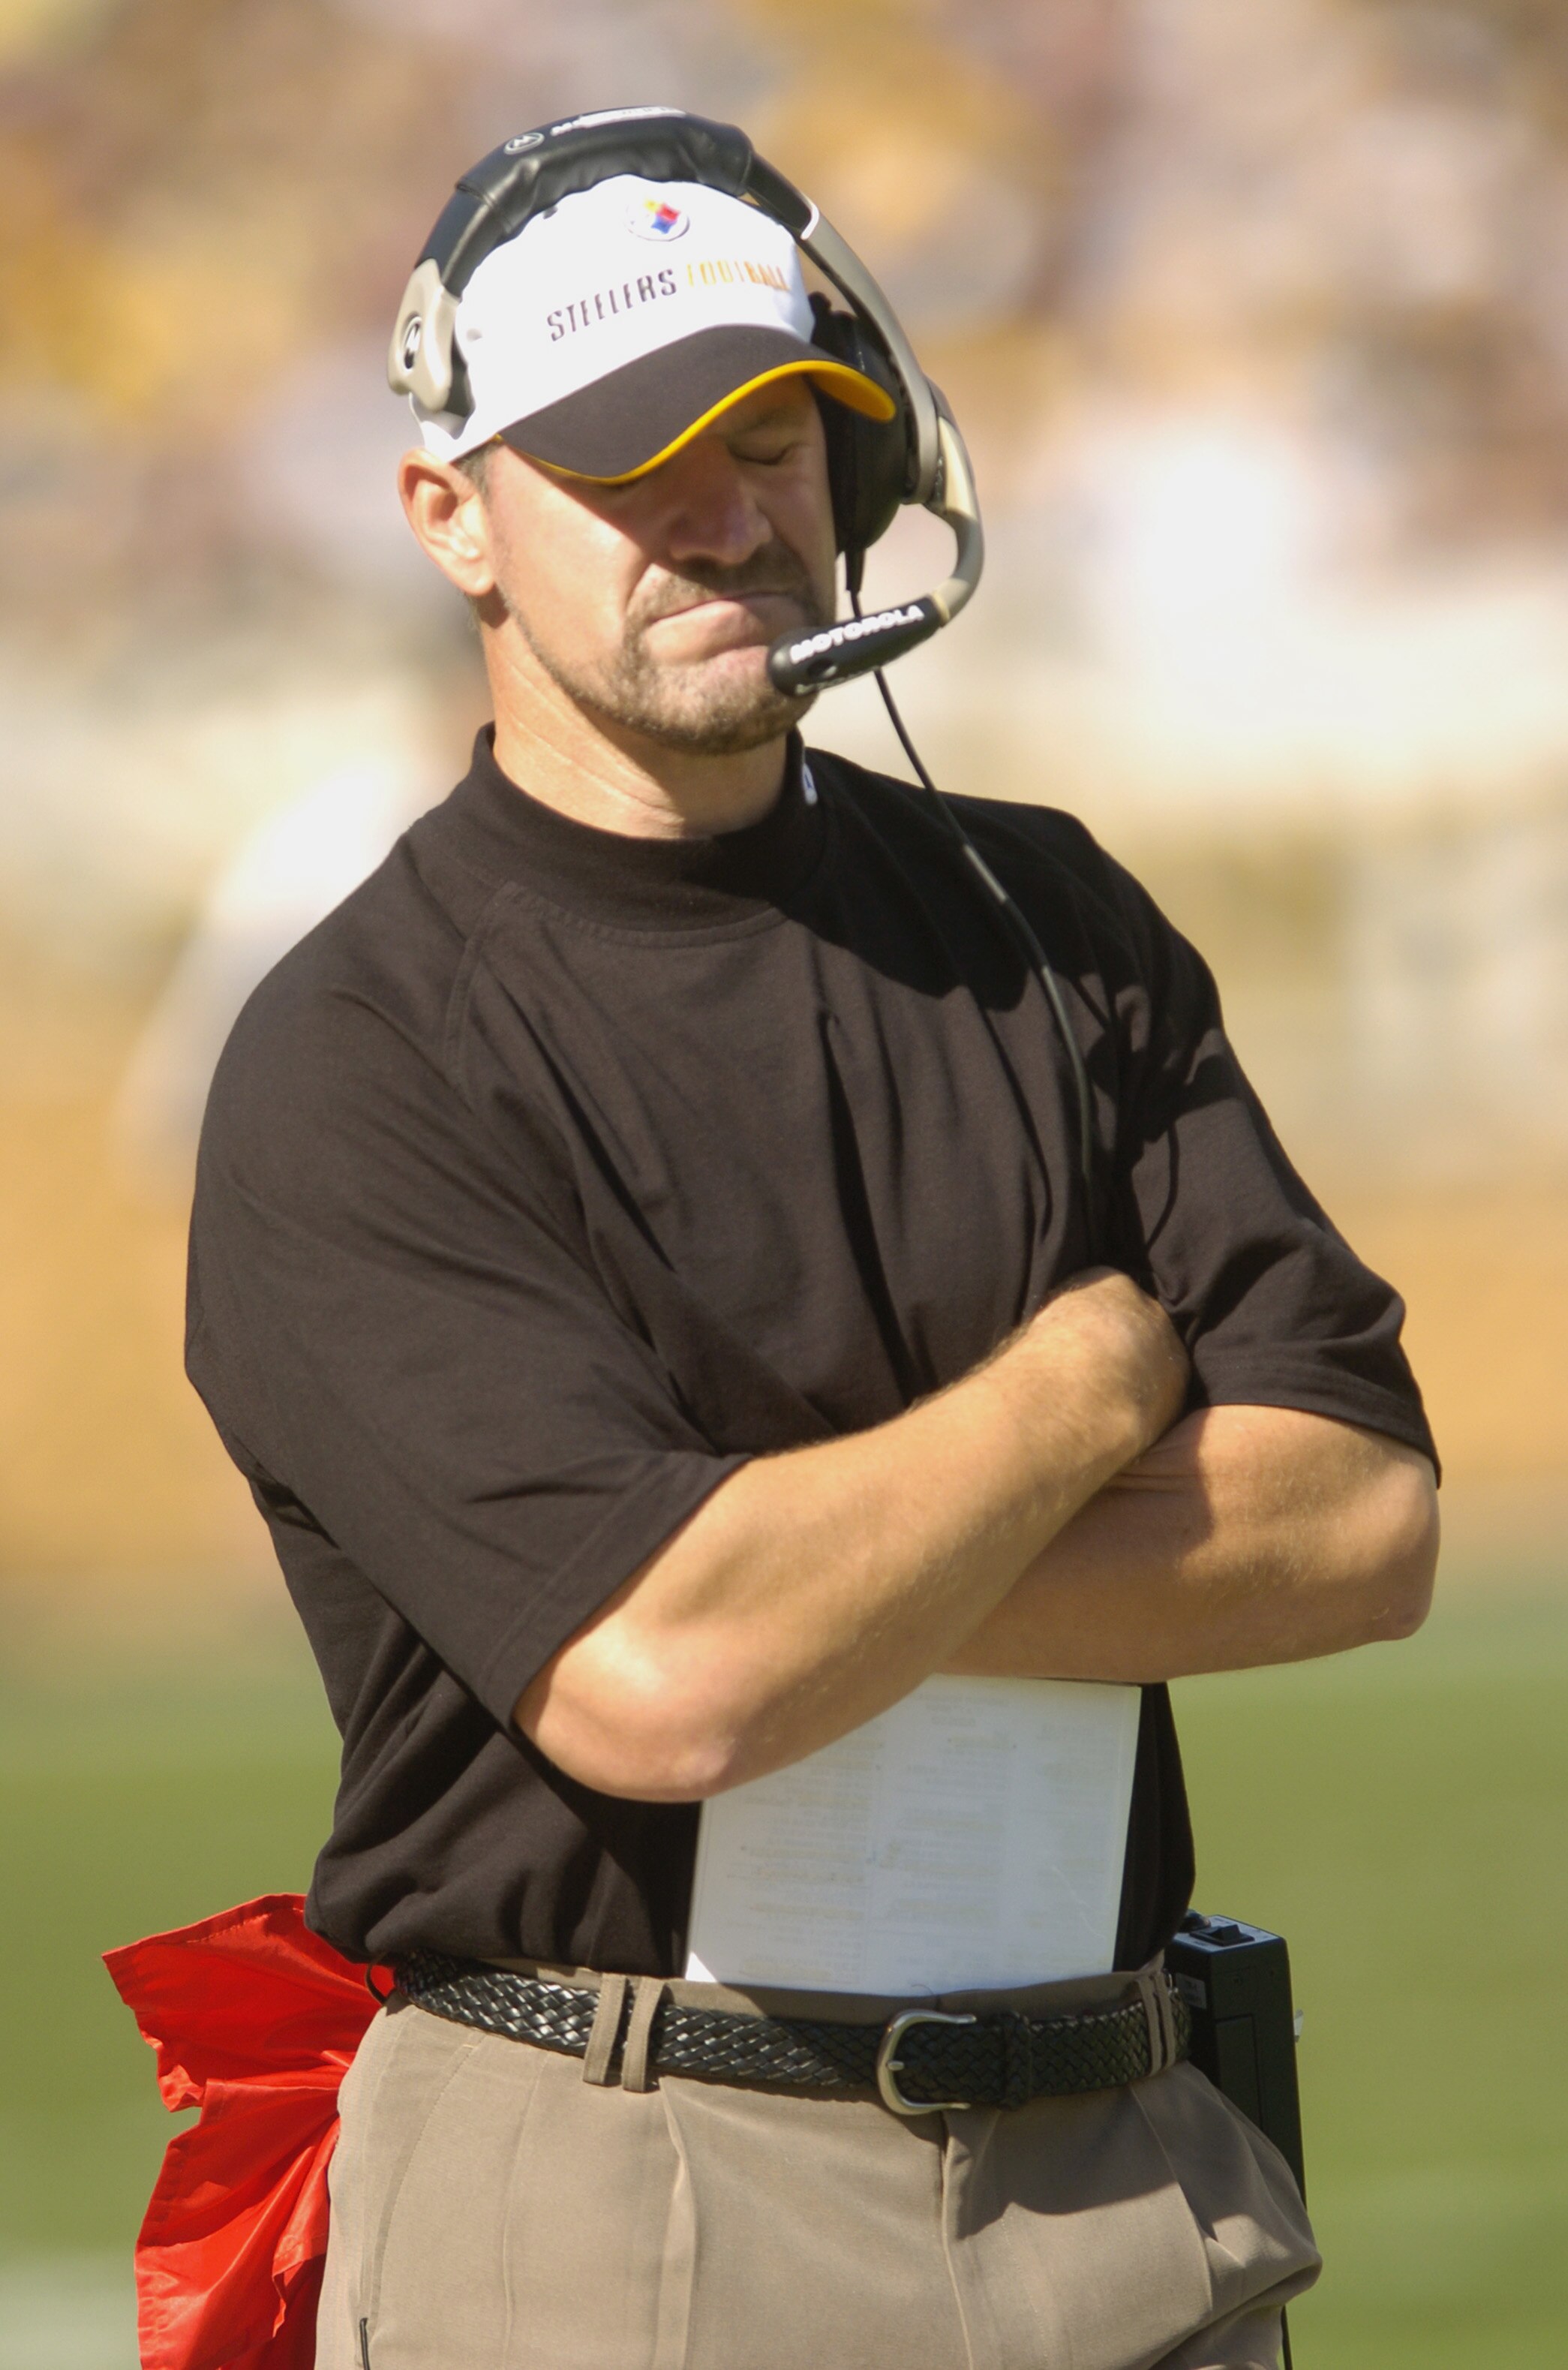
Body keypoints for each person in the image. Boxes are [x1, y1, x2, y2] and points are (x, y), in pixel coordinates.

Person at [186, 117, 1440, 2370]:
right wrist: (1082, 1389)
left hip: (1120, 2157)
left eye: (771, 434)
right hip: (616, 2183)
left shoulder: (1045, 914)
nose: (721, 505)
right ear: (449, 519)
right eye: (620, 455)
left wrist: (810, 1571)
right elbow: (668, 1680)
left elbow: (1355, 1518)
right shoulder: (353, 1054)